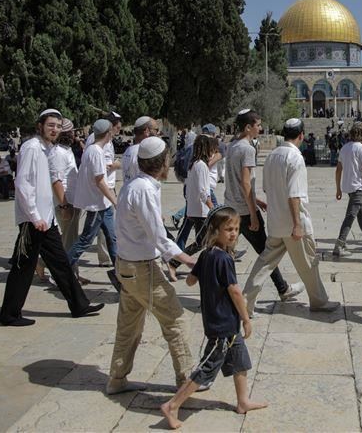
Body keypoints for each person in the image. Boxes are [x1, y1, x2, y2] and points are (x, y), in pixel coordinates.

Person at [160, 206, 268, 429]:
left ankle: (243, 401)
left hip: (224, 324)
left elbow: (190, 280)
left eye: (236, 229)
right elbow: (235, 291)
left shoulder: (207, 254)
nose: (234, 233)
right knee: (207, 368)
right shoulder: (224, 259)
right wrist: (246, 317)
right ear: (215, 230)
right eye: (228, 229)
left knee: (240, 362)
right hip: (223, 324)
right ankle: (172, 405)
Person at [108, 137, 199, 395]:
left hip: (127, 266)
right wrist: (188, 259)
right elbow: (158, 236)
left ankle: (117, 378)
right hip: (142, 268)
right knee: (176, 321)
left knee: (129, 325)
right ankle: (186, 381)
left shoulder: (131, 185)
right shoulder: (144, 190)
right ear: (163, 163)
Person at [0, 109, 104, 326]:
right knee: (23, 268)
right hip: (33, 221)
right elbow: (23, 185)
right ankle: (9, 314)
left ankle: (79, 305)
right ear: (40, 126)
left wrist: (48, 217)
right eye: (50, 125)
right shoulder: (31, 148)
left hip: (46, 220)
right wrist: (34, 216)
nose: (55, 129)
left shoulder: (48, 149)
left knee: (61, 263)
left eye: (58, 125)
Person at [242, 119, 340, 316]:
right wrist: (297, 224)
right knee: (309, 263)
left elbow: (266, 189)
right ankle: (319, 301)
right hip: (293, 223)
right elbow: (294, 194)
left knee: (264, 264)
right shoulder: (295, 158)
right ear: (301, 135)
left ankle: (244, 301)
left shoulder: (272, 156)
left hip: (276, 222)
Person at [224, 109, 304, 302]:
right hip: (244, 210)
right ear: (248, 127)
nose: (260, 129)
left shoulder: (232, 146)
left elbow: (237, 182)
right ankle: (281, 289)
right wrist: (253, 213)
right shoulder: (248, 149)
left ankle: (223, 292)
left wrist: (258, 201)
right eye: (258, 125)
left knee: (227, 254)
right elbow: (244, 182)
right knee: (267, 255)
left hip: (231, 207)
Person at [35, 119, 86, 284]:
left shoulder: (66, 150)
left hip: (73, 201)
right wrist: (64, 205)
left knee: (69, 239)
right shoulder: (58, 153)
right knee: (69, 241)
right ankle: (67, 276)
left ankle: (64, 270)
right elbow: (56, 181)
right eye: (72, 132)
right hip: (66, 202)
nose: (74, 135)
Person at [68, 118, 119, 276]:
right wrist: (114, 200)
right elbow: (99, 181)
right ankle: (63, 269)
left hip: (103, 205)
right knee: (86, 239)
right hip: (97, 204)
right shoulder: (96, 151)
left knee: (112, 237)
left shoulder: (91, 149)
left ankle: (120, 273)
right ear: (108, 133)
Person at [333, 122, 362, 257]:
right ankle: (339, 244)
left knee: (361, 215)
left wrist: (338, 189)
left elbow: (338, 170)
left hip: (349, 186)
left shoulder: (345, 148)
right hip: (359, 186)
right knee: (351, 216)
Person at [177, 135, 218, 251]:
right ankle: (175, 261)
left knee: (204, 242)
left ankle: (202, 266)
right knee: (203, 242)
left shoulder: (194, 164)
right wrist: (212, 208)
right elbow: (203, 191)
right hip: (201, 211)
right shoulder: (201, 166)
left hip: (195, 210)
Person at [121, 116, 158, 186]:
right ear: (147, 131)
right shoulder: (142, 152)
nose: (157, 133)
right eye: (156, 130)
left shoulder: (129, 150)